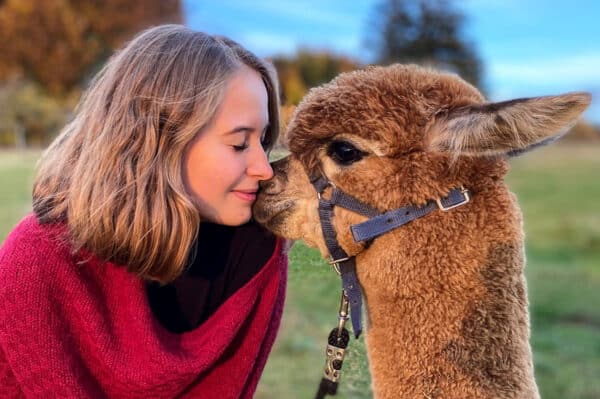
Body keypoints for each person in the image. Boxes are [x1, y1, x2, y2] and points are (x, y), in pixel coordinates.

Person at [0, 25, 287, 398]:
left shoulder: (254, 252)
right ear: (158, 141)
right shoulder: (36, 260)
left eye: (263, 141)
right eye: (238, 143)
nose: (264, 168)